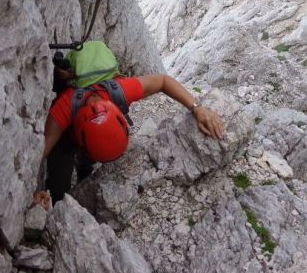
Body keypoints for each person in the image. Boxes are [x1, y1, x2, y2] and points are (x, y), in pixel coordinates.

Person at [33, 69, 225, 209]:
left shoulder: (119, 91)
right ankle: (59, 198)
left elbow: (163, 81)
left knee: (87, 164)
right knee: (58, 187)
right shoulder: (62, 110)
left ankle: (85, 169)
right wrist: (34, 191)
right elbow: (36, 156)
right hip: (67, 139)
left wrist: (197, 108)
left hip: (86, 135)